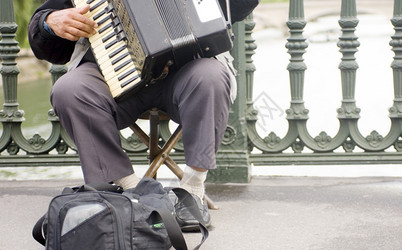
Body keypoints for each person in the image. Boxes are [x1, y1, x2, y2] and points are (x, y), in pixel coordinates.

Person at [28, 0, 258, 230]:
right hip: (113, 75)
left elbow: (242, 6)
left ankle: (192, 190)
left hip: (188, 71)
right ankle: (131, 192)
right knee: (70, 90)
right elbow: (46, 45)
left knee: (211, 77)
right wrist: (49, 22)